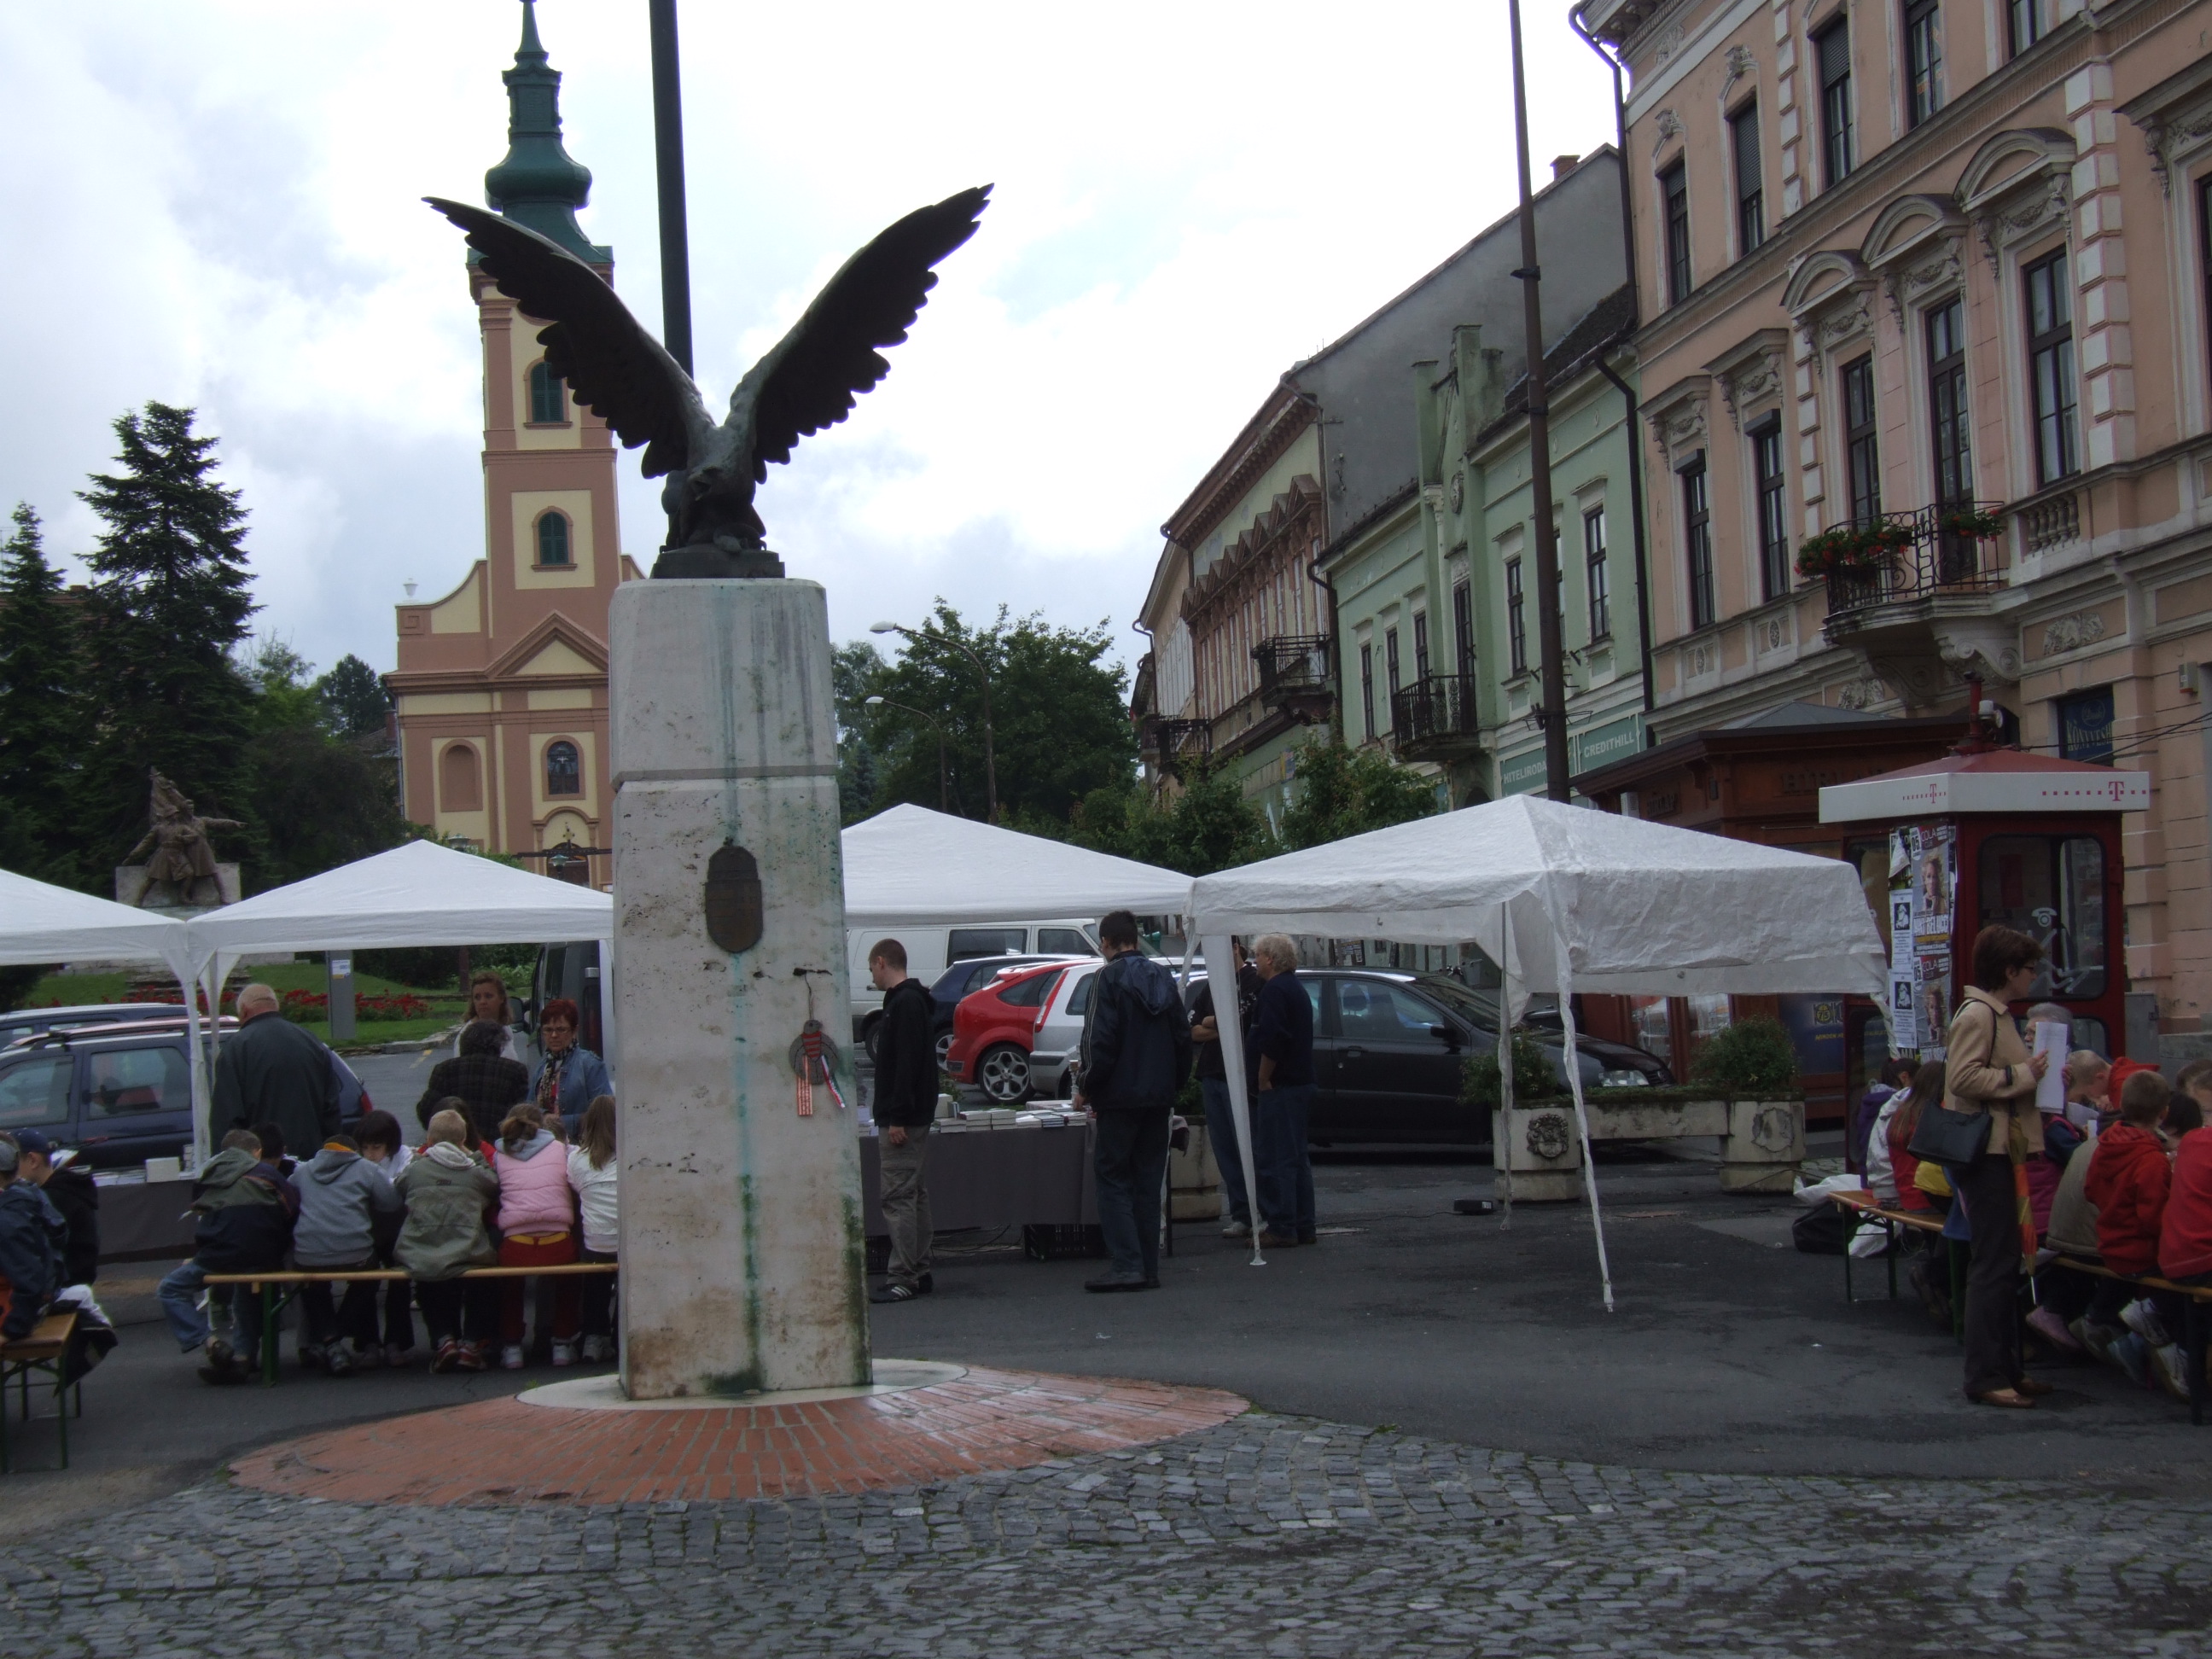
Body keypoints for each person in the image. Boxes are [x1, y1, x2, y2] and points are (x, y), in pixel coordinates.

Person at [1941, 924, 2052, 1410]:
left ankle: (2006, 1367)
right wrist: (2023, 1074)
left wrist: (2037, 1076)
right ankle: (1985, 1374)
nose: (2033, 977)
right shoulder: (1979, 1015)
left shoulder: (1995, 1015)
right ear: (2009, 971)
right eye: (2029, 969)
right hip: (1986, 1152)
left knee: (2005, 1260)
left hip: (2002, 1149)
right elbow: (1963, 1078)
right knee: (1993, 1262)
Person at [1076, 911, 1192, 1292]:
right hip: (1157, 1096)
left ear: (1106, 942)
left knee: (1112, 1178)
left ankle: (1128, 1264)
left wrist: (1086, 1084)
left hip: (1119, 1096)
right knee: (1147, 1181)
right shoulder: (1162, 977)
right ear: (1135, 939)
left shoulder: (1107, 978)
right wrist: (1174, 1084)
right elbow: (1182, 1037)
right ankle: (1147, 1266)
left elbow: (1098, 1041)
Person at [158, 1130, 295, 1383]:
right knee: (249, 1286)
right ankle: (243, 1358)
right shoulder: (268, 1174)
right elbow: (292, 1210)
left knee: (171, 1289)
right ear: (257, 1152)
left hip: (217, 1256)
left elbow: (202, 1217)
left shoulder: (208, 1175)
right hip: (264, 1256)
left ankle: (211, 1343)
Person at [2083, 1072, 2187, 1394]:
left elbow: (2090, 1190)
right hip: (2141, 1252)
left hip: (2110, 1243)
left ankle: (2136, 1338)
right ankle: (2169, 1350)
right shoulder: (2151, 1160)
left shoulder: (2107, 1144)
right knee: (2190, 1280)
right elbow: (2154, 1219)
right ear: (2164, 1112)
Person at [396, 1108, 500, 1373]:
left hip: (421, 1250)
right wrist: (475, 1156)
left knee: (426, 1278)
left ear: (429, 1140)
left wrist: (419, 1159)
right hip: (467, 1250)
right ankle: (472, 1343)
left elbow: (400, 1186)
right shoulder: (474, 1172)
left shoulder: (416, 1171)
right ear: (463, 1140)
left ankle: (444, 1339)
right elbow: (493, 1186)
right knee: (486, 1278)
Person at [292, 1131, 402, 1377]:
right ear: (354, 1152)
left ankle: (328, 1342)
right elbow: (391, 1203)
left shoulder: (302, 1172)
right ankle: (335, 1337)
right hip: (355, 1252)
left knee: (312, 1283)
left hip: (308, 1252)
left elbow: (290, 1201)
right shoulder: (367, 1170)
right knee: (369, 1277)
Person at [867, 939, 938, 1306]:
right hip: (915, 1114)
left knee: (898, 1198)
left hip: (903, 1118)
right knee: (913, 1194)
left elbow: (905, 1064)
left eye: (872, 968)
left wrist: (897, 1116)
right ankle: (919, 1269)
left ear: (882, 962)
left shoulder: (903, 1004)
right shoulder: (913, 1001)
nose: (872, 977)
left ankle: (903, 1276)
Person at [493, 1102, 581, 1368]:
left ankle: (512, 1347)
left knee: (510, 1286)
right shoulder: (559, 1149)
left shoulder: (499, 1154)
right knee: (568, 1281)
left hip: (516, 1243)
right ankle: (562, 1344)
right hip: (557, 1241)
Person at [213, 982, 340, 1161]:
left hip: (260, 1161)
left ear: (244, 1011)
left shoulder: (236, 1049)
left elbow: (227, 1117)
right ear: (275, 1006)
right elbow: (331, 1110)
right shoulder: (311, 1042)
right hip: (311, 1159)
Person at [1190, 940, 1263, 1239]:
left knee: (1247, 1144)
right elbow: (1193, 1029)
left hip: (1240, 1074)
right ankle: (1241, 1213)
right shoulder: (1211, 986)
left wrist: (1214, 1023)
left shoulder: (1252, 981)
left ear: (1235, 948)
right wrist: (1220, 1024)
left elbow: (1241, 1022)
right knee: (1224, 1150)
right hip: (1212, 1073)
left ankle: (1260, 1210)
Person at [1249, 933, 1317, 1250]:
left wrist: (1263, 1078)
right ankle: (1303, 1224)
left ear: (1270, 958)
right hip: (1300, 1081)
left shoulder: (1274, 991)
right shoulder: (1295, 988)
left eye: (1258, 955)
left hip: (1282, 1084)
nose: (1254, 961)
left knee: (1276, 1157)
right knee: (1296, 1157)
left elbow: (1273, 1038)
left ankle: (1281, 1224)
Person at [355, 1110, 416, 1367]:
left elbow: (399, 1185)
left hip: (397, 1226)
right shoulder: (358, 1161)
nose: (370, 1154)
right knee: (363, 1283)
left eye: (376, 1147)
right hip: (367, 1227)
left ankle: (395, 1342)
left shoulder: (406, 1156)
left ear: (390, 1145)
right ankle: (368, 1342)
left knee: (400, 1282)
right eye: (365, 1148)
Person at [416, 1019, 532, 1142]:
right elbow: (523, 1114)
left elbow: (426, 1110)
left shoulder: (445, 1070)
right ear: (498, 1045)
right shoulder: (515, 1071)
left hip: (455, 1144)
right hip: (500, 1144)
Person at [10, 1130, 97, 1288]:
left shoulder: (49, 1201)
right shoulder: (67, 1189)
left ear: (33, 1160)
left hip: (63, 1288)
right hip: (72, 1283)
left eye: (11, 1163)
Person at [568, 1095, 619, 1362]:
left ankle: (593, 1338)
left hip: (596, 1241)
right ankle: (620, 1338)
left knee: (595, 1279)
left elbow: (576, 1189)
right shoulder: (632, 1156)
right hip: (626, 1241)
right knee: (630, 1279)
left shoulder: (577, 1159)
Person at [0, 1135, 64, 1342]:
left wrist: (10, 1330)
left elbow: (29, 1282)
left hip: (11, 1316)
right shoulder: (25, 1198)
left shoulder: (7, 1219)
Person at [528, 998, 613, 1139]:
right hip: (546, 1145)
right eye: (548, 1030)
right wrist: (544, 1116)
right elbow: (528, 1109)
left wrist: (561, 1123)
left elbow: (605, 1114)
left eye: (561, 1030)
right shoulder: (542, 1067)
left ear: (574, 1031)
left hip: (580, 1145)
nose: (554, 1035)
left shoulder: (590, 1064)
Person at [1851, 1057, 1917, 1177]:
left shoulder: (1870, 1100)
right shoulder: (1896, 1105)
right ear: (1904, 1077)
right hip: (1887, 1178)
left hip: (1867, 1175)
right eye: (1917, 1084)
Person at [467, 969, 524, 1062]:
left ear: (501, 998)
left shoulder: (506, 1029)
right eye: (477, 997)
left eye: (488, 996)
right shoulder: (467, 1035)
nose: (482, 1002)